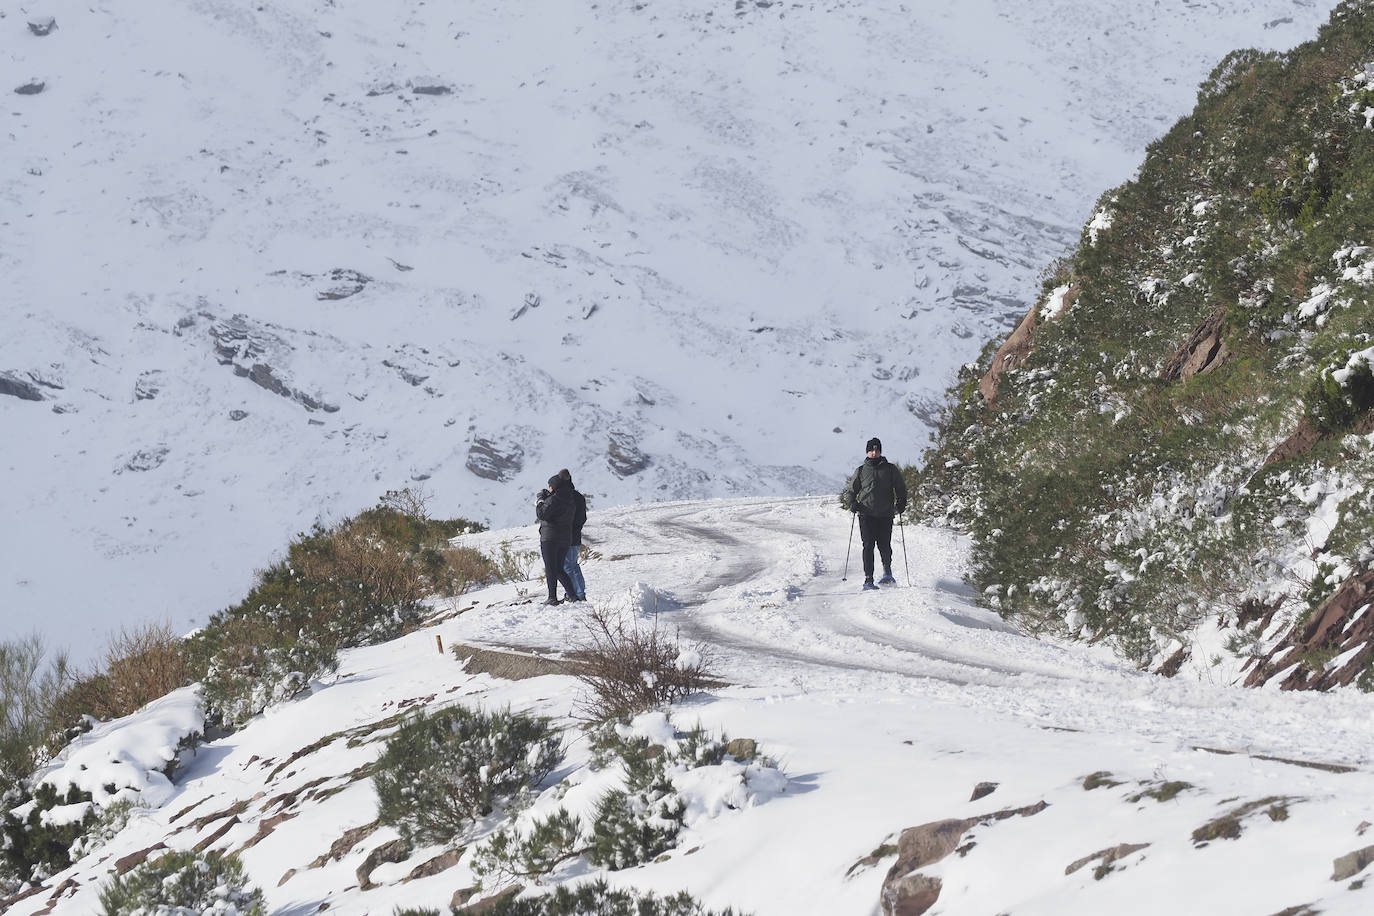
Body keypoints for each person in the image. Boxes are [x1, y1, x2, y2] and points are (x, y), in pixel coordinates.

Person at [840, 437, 907, 590]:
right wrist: (852, 502)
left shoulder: (890, 469)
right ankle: (868, 579)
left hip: (885, 514)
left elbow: (900, 488)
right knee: (868, 545)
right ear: (867, 452)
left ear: (880, 451)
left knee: (884, 545)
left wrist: (901, 502)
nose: (874, 453)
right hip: (866, 514)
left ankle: (887, 573)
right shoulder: (862, 470)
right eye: (871, 450)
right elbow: (851, 491)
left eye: (877, 450)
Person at [535, 474, 577, 605]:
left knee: (551, 568)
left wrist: (541, 501)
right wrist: (548, 498)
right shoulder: (570, 499)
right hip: (565, 538)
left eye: (550, 486)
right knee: (559, 568)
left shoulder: (554, 500)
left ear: (554, 487)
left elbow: (542, 514)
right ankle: (573, 595)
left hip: (550, 538)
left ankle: (552, 597)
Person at [557, 468, 588, 602]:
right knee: (574, 565)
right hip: (576, 535)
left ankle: (575, 594)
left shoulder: (564, 496)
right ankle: (579, 592)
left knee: (567, 566)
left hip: (566, 536)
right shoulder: (578, 496)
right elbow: (582, 518)